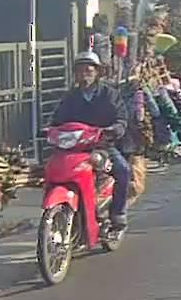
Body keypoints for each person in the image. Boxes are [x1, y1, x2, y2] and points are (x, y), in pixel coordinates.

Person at [49, 51, 130, 232]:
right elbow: (57, 120)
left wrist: (115, 129)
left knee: (123, 170)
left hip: (101, 147)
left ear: (97, 72)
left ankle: (118, 213)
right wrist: (50, 130)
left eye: (88, 70)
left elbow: (121, 118)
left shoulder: (110, 94)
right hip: (73, 149)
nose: (84, 74)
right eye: (80, 71)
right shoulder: (70, 98)